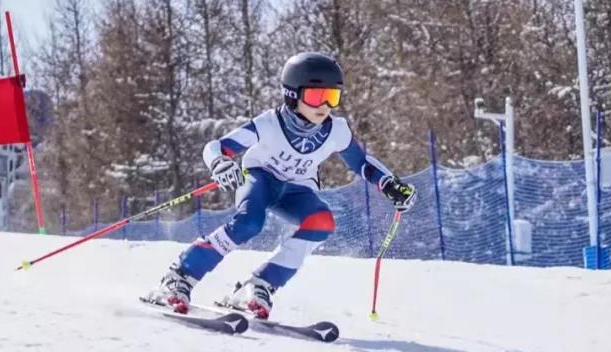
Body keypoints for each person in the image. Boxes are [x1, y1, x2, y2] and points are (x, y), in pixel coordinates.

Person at [148, 52, 417, 318]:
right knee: (249, 224)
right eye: (315, 96)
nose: (324, 105)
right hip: (260, 179)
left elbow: (361, 163)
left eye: (332, 96)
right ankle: (181, 275)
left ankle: (261, 285)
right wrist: (220, 163)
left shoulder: (337, 130)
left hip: (296, 190)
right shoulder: (269, 123)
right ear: (292, 94)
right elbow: (217, 147)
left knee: (322, 222)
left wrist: (390, 185)